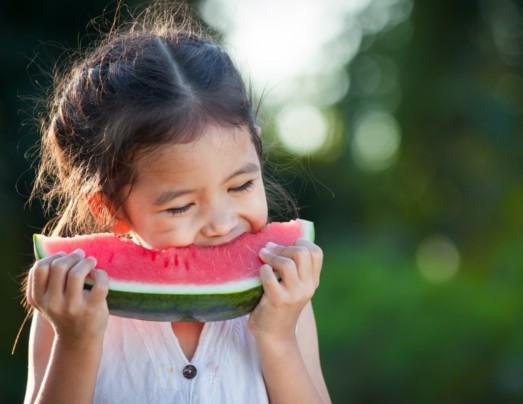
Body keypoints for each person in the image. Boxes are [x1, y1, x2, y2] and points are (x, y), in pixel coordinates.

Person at [23, 3, 330, 403]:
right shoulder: (68, 310)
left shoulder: (285, 302)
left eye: (240, 186)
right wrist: (77, 341)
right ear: (110, 209)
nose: (220, 222)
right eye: (180, 207)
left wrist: (277, 336)